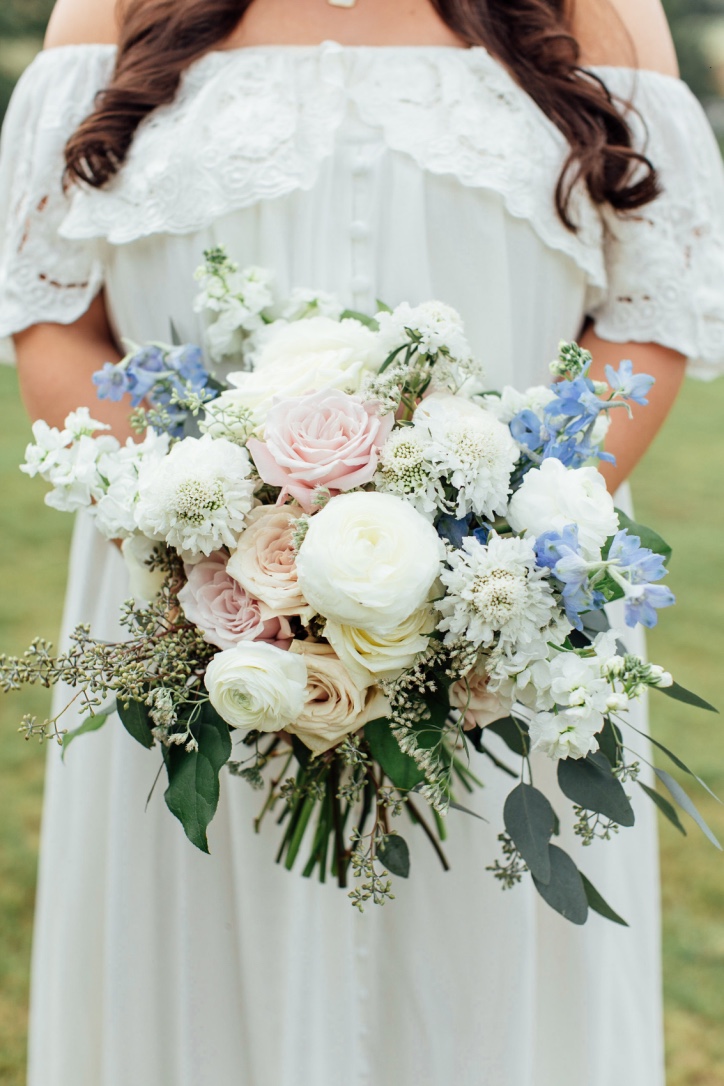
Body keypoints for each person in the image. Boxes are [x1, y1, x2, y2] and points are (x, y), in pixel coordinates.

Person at [1, 1, 723, 1083]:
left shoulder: (599, 11)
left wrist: (483, 556)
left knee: (473, 988)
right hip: (192, 628)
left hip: (498, 633)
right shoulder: (110, 7)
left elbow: (644, 317)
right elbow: (56, 316)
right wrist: (212, 540)